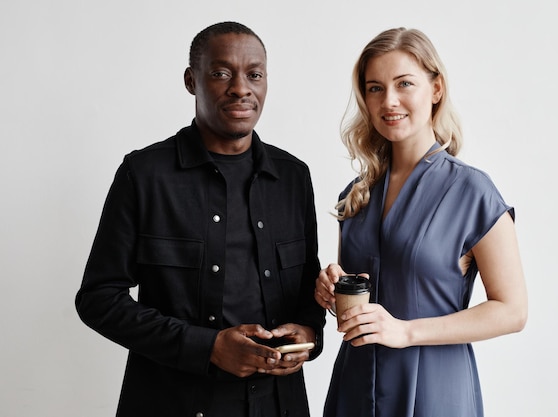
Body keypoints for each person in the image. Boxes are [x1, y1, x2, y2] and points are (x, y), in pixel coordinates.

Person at [76, 21, 325, 417]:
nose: (241, 88)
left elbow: (307, 289)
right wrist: (207, 347)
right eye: (221, 73)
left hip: (280, 404)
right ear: (192, 80)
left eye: (254, 74)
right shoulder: (143, 174)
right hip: (170, 401)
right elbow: (98, 299)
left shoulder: (293, 176)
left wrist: (309, 333)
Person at [314, 27, 528, 417]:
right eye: (375, 88)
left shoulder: (472, 191)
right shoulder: (358, 193)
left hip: (435, 389)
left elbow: (512, 310)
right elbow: (363, 292)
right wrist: (331, 290)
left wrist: (407, 332)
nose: (389, 101)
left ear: (436, 89)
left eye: (404, 84)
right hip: (356, 387)